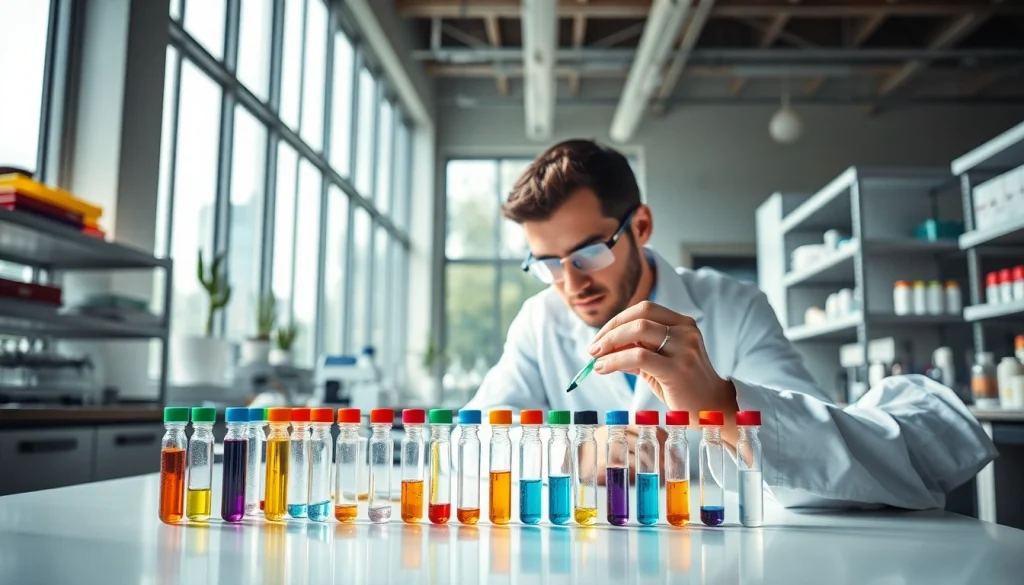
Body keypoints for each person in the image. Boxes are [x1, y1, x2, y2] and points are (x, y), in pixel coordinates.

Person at [461, 138, 997, 509]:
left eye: (589, 253)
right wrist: (576, 452)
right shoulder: (540, 320)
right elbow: (465, 443)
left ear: (640, 226)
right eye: (548, 265)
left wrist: (721, 406)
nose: (570, 284)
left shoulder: (733, 308)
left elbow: (837, 462)